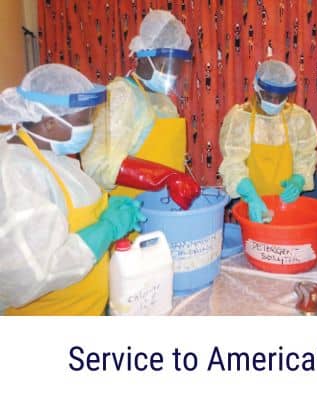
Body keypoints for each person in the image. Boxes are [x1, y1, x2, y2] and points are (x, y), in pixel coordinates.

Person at [0, 64, 144, 315]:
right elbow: (34, 276)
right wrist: (107, 229)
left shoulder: (51, 153)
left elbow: (67, 210)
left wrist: (106, 207)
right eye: (84, 119)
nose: (89, 126)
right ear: (48, 123)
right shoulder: (17, 174)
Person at [80, 9, 199, 210]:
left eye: (178, 66)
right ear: (144, 57)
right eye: (166, 65)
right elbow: (97, 165)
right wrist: (163, 177)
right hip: (130, 212)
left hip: (166, 207)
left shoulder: (164, 102)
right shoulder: (119, 96)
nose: (175, 74)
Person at [219, 60, 317, 223]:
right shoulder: (239, 119)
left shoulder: (298, 118)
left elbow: (305, 156)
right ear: (257, 89)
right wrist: (250, 195)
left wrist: (299, 179)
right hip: (252, 204)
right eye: (269, 96)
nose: (274, 102)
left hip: (287, 205)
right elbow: (232, 163)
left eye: (280, 98)